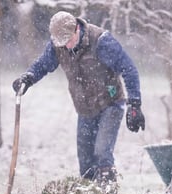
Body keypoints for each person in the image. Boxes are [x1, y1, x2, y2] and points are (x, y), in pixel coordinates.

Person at [12, 11, 145, 182]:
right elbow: (44, 64)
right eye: (62, 43)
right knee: (86, 165)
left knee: (102, 152)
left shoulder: (101, 41)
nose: (66, 46)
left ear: (77, 29)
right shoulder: (57, 45)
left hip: (110, 103)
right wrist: (28, 77)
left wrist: (134, 104)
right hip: (84, 108)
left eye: (68, 41)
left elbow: (129, 69)